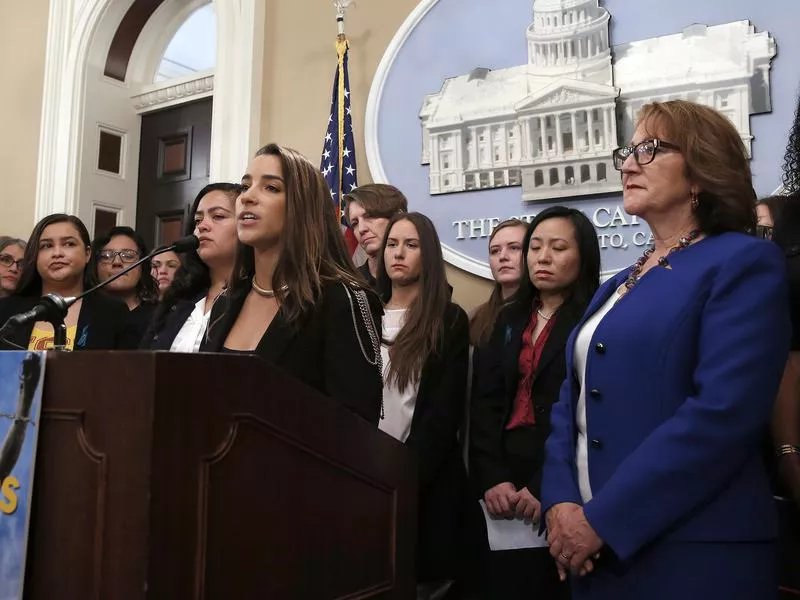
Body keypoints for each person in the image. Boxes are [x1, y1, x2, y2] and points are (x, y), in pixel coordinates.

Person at [541, 100, 790, 599]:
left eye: (651, 149)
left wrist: (603, 520)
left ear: (701, 170)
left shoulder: (744, 262)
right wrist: (562, 504)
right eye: (629, 151)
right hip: (591, 558)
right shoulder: (617, 284)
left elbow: (721, 415)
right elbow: (571, 402)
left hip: (693, 555)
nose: (630, 163)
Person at [202, 143, 383, 424]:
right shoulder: (226, 301)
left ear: (303, 206)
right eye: (245, 186)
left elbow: (356, 429)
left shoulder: (343, 299)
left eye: (271, 188)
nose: (247, 197)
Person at [470, 207, 599, 599]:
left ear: (583, 256)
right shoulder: (508, 319)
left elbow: (589, 413)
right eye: (535, 247)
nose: (542, 258)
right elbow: (485, 404)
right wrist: (492, 476)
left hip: (563, 478)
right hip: (504, 478)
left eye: (557, 247)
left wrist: (546, 485)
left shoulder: (595, 318)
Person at [376, 211, 473, 598]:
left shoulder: (447, 319)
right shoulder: (363, 313)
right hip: (363, 475)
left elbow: (442, 414)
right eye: (392, 244)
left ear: (428, 254)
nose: (398, 253)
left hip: (422, 483)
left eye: (411, 245)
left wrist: (405, 477)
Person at [0, 214, 138, 350]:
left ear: (87, 253)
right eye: (47, 246)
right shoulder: (6, 310)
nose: (57, 253)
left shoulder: (112, 312)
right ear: (35, 256)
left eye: (69, 244)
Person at [140, 183, 240, 351]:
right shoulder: (180, 296)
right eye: (197, 220)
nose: (202, 226)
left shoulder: (256, 297)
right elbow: (142, 362)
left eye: (218, 216)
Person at [91, 226, 158, 343]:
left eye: (128, 256)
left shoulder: (160, 316)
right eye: (107, 256)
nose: (117, 262)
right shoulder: (83, 314)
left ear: (142, 266)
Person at [468, 218, 528, 348]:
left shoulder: (545, 315)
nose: (503, 257)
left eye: (514, 248)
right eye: (495, 251)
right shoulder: (475, 318)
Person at [344, 183, 408, 288]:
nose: (361, 229)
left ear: (398, 217)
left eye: (370, 216)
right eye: (355, 223)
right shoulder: (349, 287)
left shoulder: (429, 283)